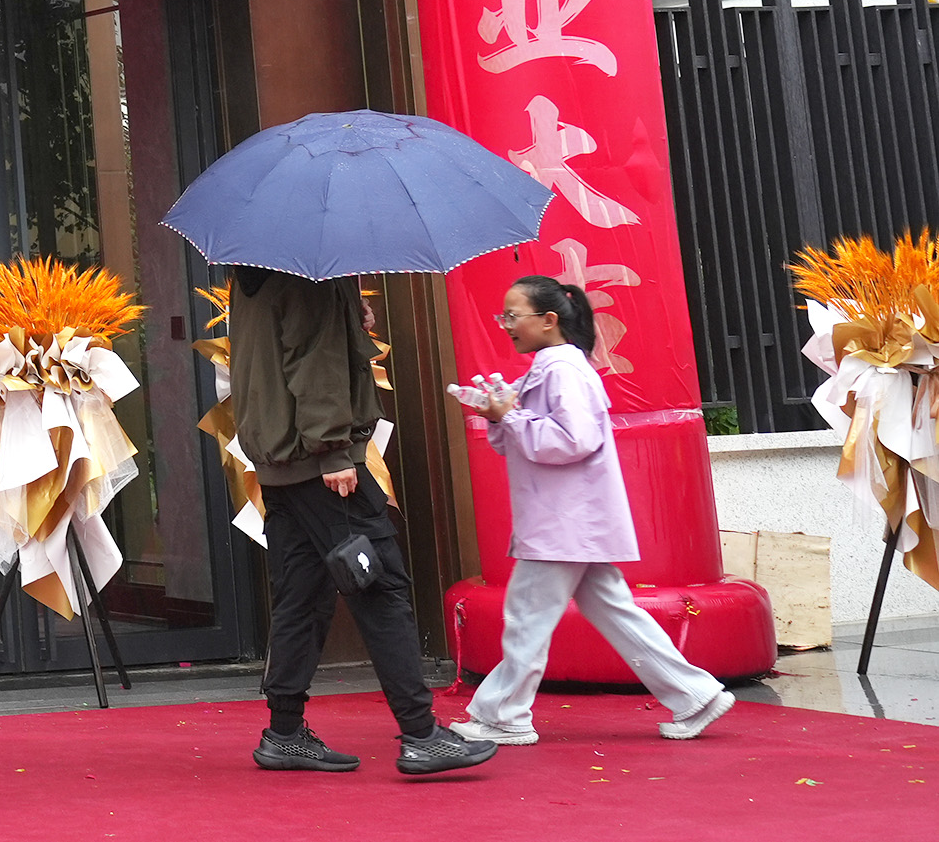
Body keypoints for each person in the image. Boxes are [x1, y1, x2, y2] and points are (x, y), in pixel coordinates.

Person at [447, 276, 736, 746]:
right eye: (504, 317)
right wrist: (500, 413)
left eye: (513, 316)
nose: (506, 325)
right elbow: (532, 437)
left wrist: (509, 416)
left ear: (549, 319)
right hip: (571, 519)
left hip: (562, 521)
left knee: (527, 618)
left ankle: (504, 715)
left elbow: (573, 440)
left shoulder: (561, 370)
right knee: (613, 613)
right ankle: (695, 695)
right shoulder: (556, 367)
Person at [230, 265, 495, 776]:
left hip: (282, 463)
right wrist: (334, 451)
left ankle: (285, 732)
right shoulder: (310, 277)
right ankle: (421, 734)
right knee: (380, 587)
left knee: (301, 598)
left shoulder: (257, 273)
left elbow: (291, 353)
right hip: (322, 464)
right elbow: (315, 362)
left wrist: (350, 314)